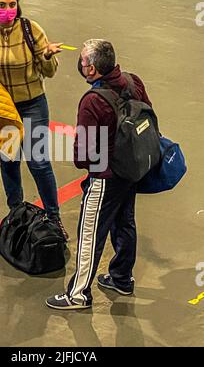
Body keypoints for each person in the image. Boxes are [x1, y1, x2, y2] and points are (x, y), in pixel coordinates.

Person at [46, 39, 152, 310]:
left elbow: (84, 154)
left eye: (82, 61)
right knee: (125, 222)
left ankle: (78, 294)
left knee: (90, 231)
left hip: (105, 176)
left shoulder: (93, 101)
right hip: (131, 169)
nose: (80, 64)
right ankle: (122, 278)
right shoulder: (132, 81)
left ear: (91, 69)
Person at [0, 0, 68, 240]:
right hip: (1, 108)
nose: (8, 9)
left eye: (12, 4)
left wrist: (46, 56)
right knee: (9, 161)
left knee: (39, 162)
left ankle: (54, 218)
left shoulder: (31, 30)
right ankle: (16, 215)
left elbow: (51, 72)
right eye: (2, 5)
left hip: (32, 103)